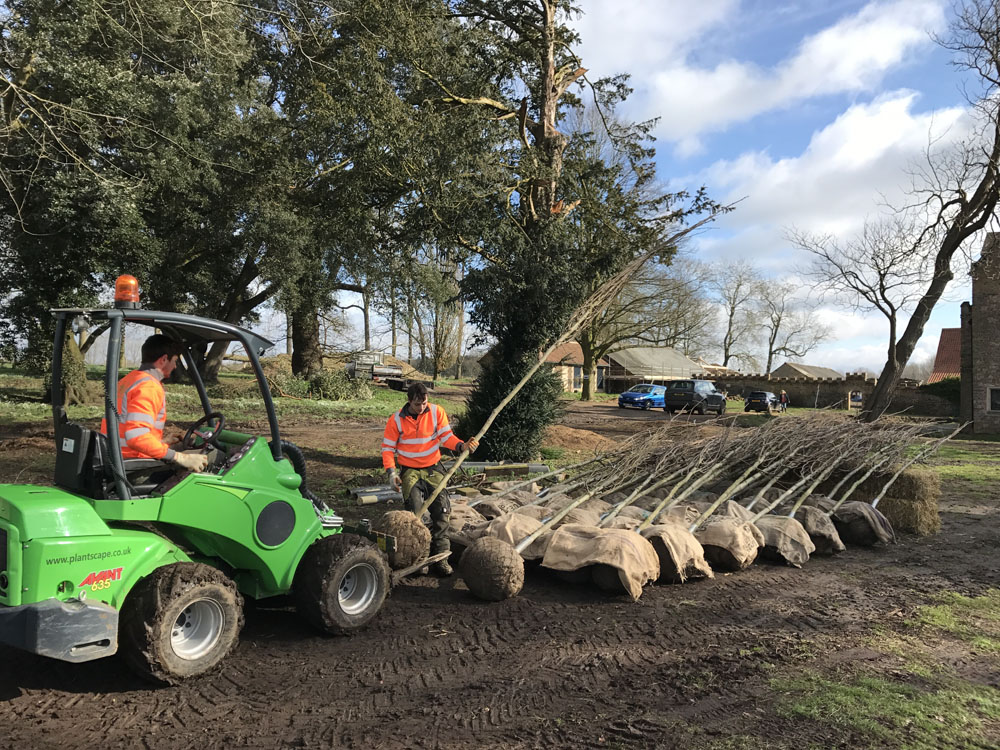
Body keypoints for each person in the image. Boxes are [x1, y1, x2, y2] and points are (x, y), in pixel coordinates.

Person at [381, 382, 479, 576]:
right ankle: (419, 558)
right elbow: (387, 449)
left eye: (425, 403)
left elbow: (446, 436)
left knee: (442, 511)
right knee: (414, 515)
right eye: (418, 404)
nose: (422, 407)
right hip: (410, 470)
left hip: (433, 468)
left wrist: (461, 446)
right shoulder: (396, 420)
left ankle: (441, 559)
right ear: (409, 401)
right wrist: (392, 473)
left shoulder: (436, 412)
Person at [101, 334, 208, 473]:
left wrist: (161, 443)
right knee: (208, 460)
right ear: (164, 359)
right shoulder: (148, 387)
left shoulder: (128, 380)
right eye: (175, 360)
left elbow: (128, 429)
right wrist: (180, 458)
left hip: (117, 457)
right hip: (134, 465)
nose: (175, 366)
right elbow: (136, 438)